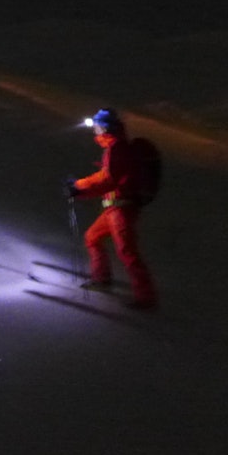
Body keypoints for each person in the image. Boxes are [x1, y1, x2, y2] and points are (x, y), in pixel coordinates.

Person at [66, 108, 158, 310]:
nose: (94, 131)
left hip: (122, 209)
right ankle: (102, 278)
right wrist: (79, 192)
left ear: (105, 128)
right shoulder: (114, 149)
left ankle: (146, 298)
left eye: (97, 127)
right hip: (113, 208)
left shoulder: (118, 149)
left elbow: (108, 179)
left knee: (127, 251)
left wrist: (79, 186)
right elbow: (107, 185)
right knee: (92, 238)